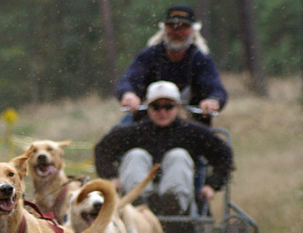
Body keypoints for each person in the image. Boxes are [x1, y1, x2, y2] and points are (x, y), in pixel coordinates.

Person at [95, 81, 233, 216]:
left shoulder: (191, 132)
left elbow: (224, 154)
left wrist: (212, 185)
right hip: (136, 211)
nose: (162, 112)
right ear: (148, 107)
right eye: (156, 107)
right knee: (136, 155)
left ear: (178, 107)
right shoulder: (135, 131)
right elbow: (102, 149)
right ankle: (136, 200)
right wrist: (111, 177)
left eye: (168, 106)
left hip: (181, 207)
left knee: (178, 156)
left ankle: (173, 202)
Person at [117, 5, 227, 122]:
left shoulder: (201, 61)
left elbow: (215, 88)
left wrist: (213, 100)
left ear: (193, 31)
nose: (177, 32)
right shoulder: (148, 56)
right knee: (117, 134)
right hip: (148, 124)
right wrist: (128, 94)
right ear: (164, 29)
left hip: (191, 126)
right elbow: (128, 80)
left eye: (183, 27)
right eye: (172, 27)